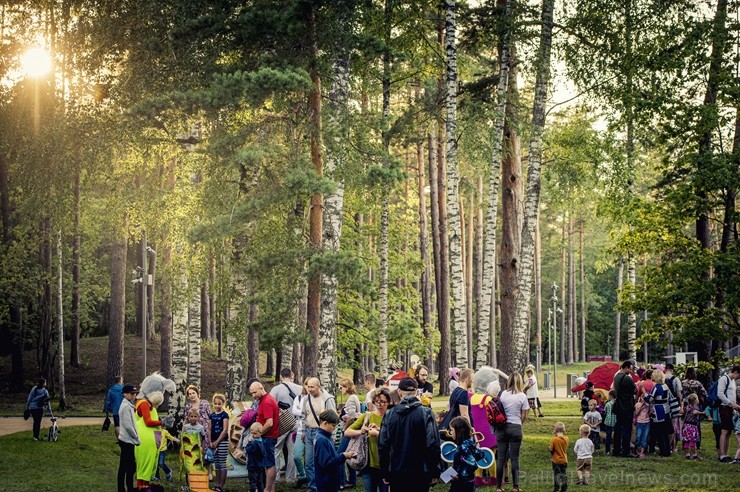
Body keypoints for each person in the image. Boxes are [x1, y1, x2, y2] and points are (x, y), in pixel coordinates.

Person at [378, 378, 440, 492]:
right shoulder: (426, 413)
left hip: (397, 470)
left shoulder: (389, 414)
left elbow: (383, 445)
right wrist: (434, 470)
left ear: (399, 392)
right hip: (420, 471)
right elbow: (433, 444)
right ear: (416, 392)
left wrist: (385, 471)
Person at [345, 387, 390, 492]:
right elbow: (347, 432)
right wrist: (361, 431)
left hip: (386, 465)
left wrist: (379, 431)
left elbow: (396, 437)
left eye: (383, 402)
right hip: (368, 464)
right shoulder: (367, 416)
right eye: (377, 402)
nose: (379, 405)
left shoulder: (392, 417)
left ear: (388, 402)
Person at [300, 377, 337, 492]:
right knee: (309, 461)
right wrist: (302, 432)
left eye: (312, 387)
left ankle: (324, 484)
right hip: (309, 431)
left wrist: (333, 435)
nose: (310, 389)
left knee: (323, 462)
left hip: (321, 432)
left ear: (318, 387)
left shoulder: (327, 399)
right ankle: (312, 486)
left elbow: (333, 417)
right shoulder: (306, 399)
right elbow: (303, 416)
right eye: (308, 387)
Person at [494, 372, 529, 492]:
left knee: (501, 458)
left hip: (502, 428)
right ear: (520, 381)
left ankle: (498, 487)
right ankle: (515, 487)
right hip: (515, 427)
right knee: (515, 458)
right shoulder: (522, 396)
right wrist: (518, 423)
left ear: (508, 381)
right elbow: (524, 415)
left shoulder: (502, 394)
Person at [270, 368, 302, 484]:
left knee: (276, 450)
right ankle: (291, 478)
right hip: (295, 422)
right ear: (291, 375)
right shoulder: (299, 388)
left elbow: (271, 406)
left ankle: (275, 477)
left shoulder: (276, 389)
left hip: (281, 423)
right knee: (292, 451)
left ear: (281, 376)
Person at [250, 381, 281, 492]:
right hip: (268, 436)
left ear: (261, 388)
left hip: (268, 437)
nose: (253, 395)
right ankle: (271, 489)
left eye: (254, 392)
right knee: (268, 464)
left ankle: (267, 489)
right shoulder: (266, 400)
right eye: (251, 393)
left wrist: (259, 433)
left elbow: (269, 423)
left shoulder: (267, 402)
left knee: (269, 465)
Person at [315, 409, 356, 492]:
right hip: (326, 484)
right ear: (325, 423)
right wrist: (343, 456)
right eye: (333, 426)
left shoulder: (326, 437)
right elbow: (327, 464)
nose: (334, 428)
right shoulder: (322, 440)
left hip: (330, 482)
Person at [643, 370, 674, 457]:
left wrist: (644, 393)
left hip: (658, 410)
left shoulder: (656, 387)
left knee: (659, 433)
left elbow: (650, 399)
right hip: (666, 410)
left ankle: (663, 451)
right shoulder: (665, 386)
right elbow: (671, 397)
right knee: (665, 432)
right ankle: (667, 450)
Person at [337, 378, 361, 489]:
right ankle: (352, 480)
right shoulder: (353, 397)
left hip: (349, 431)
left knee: (340, 455)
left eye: (341, 387)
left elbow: (351, 417)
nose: (340, 389)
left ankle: (342, 481)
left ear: (347, 387)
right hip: (353, 430)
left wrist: (344, 429)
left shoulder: (351, 399)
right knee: (350, 454)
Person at [447, 417, 482, 492]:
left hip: (462, 484)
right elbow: (479, 454)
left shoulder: (463, 447)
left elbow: (472, 464)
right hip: (469, 482)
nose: (450, 432)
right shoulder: (469, 443)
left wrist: (460, 476)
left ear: (459, 431)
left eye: (452, 430)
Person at [612, 360, 637, 457]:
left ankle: (616, 449)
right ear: (626, 367)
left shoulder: (616, 377)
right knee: (627, 429)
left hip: (619, 406)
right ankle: (626, 451)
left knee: (618, 428)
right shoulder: (627, 378)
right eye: (630, 369)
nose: (631, 371)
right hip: (627, 406)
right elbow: (635, 390)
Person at [117, 384, 140, 492]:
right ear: (125, 394)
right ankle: (128, 488)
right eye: (132, 393)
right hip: (127, 440)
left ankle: (123, 488)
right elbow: (128, 425)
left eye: (135, 393)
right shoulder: (126, 406)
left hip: (125, 439)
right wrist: (136, 437)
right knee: (130, 467)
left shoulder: (128, 405)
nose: (134, 395)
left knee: (124, 466)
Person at [717, 365, 740, 462]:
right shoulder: (724, 379)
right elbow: (720, 394)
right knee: (724, 431)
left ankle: (726, 453)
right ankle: (722, 454)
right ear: (735, 372)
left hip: (731, 408)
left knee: (728, 431)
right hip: (724, 407)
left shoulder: (733, 382)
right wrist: (731, 404)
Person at [292, 378, 311, 488]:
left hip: (311, 429)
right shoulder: (299, 398)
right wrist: (303, 412)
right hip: (300, 430)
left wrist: (302, 411)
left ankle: (310, 479)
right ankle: (302, 476)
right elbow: (294, 411)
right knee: (297, 456)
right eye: (307, 385)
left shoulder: (316, 398)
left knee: (309, 458)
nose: (308, 388)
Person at [209, 393, 230, 492]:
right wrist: (210, 441)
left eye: (219, 404)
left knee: (222, 463)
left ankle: (221, 485)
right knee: (216, 464)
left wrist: (217, 442)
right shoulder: (212, 415)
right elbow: (209, 429)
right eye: (215, 404)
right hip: (212, 442)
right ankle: (217, 484)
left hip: (222, 442)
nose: (217, 406)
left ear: (223, 404)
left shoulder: (224, 415)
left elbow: (225, 430)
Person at [184, 385, 212, 450]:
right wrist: (183, 432)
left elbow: (210, 417)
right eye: (190, 394)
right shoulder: (188, 406)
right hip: (193, 431)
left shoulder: (205, 403)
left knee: (205, 450)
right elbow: (186, 419)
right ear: (188, 396)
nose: (192, 395)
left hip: (205, 430)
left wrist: (210, 430)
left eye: (193, 393)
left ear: (197, 393)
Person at [664, 363, 684, 452]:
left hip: (663, 404)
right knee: (673, 426)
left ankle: (664, 444)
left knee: (664, 425)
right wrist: (681, 404)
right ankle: (671, 446)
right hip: (673, 404)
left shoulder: (661, 377)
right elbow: (679, 393)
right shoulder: (676, 379)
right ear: (672, 370)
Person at [26, 377, 51, 441]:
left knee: (35, 422)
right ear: (44, 383)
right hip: (39, 408)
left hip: (32, 408)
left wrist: (27, 407)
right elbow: (48, 402)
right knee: (38, 422)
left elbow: (29, 399)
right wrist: (49, 410)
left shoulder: (34, 389)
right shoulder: (45, 391)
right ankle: (36, 436)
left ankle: (35, 436)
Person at [246, 422, 267, 492]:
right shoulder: (262, 442)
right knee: (260, 482)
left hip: (252, 466)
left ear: (260, 433)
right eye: (252, 433)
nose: (253, 435)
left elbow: (248, 450)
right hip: (260, 466)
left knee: (252, 483)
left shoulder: (254, 443)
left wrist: (249, 442)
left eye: (255, 433)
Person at [548, 422, 569, 492]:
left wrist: (552, 453)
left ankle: (556, 488)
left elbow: (551, 449)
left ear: (555, 430)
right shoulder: (566, 438)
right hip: (564, 460)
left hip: (556, 460)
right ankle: (564, 488)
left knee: (556, 474)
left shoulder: (554, 439)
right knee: (563, 474)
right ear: (564, 430)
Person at [682, 393, 702, 460]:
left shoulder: (687, 406)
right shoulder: (695, 407)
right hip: (692, 426)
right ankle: (694, 455)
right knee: (693, 441)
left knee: (686, 441)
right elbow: (695, 412)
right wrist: (703, 413)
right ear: (695, 400)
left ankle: (687, 455)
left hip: (685, 425)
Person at [633, 394, 650, 458]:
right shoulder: (637, 404)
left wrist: (650, 405)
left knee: (644, 438)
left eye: (645, 397)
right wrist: (642, 406)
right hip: (639, 422)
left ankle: (641, 452)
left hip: (646, 422)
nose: (643, 398)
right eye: (642, 397)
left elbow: (649, 412)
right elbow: (636, 413)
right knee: (638, 437)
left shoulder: (648, 404)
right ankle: (635, 449)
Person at [603, 390, 617, 455]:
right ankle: (615, 448)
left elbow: (605, 412)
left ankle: (607, 450)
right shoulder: (617, 403)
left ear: (610, 396)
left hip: (608, 422)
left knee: (608, 436)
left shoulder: (607, 404)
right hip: (615, 421)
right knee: (616, 436)